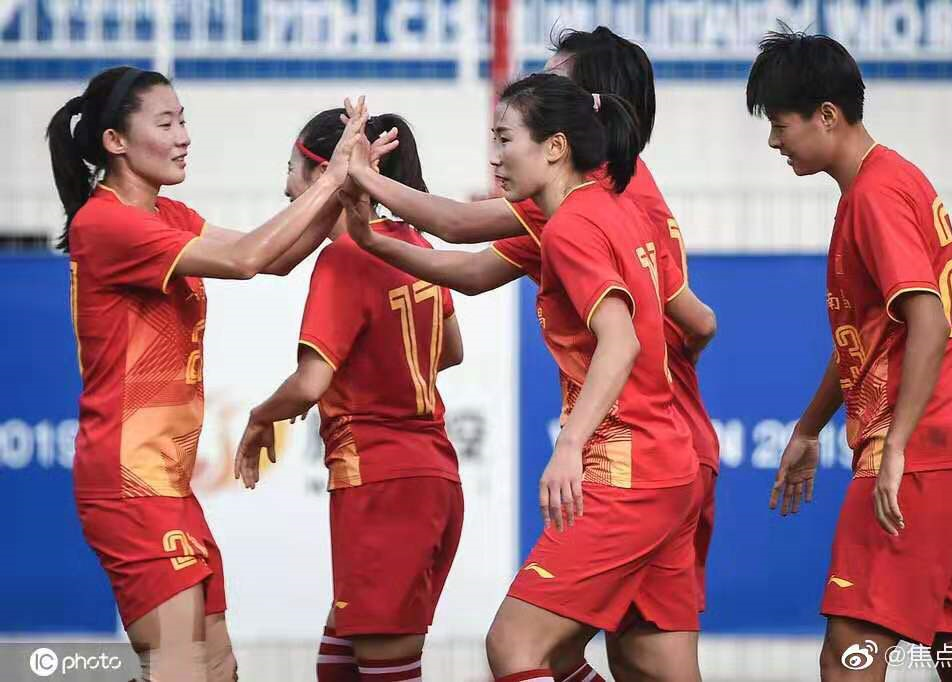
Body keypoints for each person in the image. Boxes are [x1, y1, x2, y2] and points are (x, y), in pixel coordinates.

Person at [346, 30, 721, 677]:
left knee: (516, 646)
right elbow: (698, 319)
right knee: (640, 664)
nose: (495, 155)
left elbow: (459, 225)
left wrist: (360, 178)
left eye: (509, 134)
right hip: (675, 453)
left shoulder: (577, 214)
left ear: (564, 132)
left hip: (629, 454)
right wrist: (374, 237)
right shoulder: (616, 195)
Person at [48, 65, 374, 681]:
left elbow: (275, 258)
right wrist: (330, 177)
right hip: (128, 482)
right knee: (179, 666)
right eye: (165, 123)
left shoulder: (168, 214)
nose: (183, 137)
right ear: (115, 141)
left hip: (168, 486)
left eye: (183, 121)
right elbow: (247, 258)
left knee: (218, 667)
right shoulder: (106, 221)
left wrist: (346, 189)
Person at [747, 29, 952, 682]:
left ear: (827, 116)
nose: (775, 141)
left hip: (915, 456)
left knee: (848, 659)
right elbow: (867, 343)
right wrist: (809, 428)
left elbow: (930, 319)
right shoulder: (889, 181)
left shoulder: (875, 195)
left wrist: (896, 446)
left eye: (780, 124)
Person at [234, 99, 464, 682]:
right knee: (337, 668)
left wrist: (261, 416)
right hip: (433, 478)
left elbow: (311, 383)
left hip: (382, 486)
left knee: (385, 670)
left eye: (291, 169)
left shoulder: (344, 256)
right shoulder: (414, 243)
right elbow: (451, 350)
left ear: (324, 172)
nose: (286, 187)